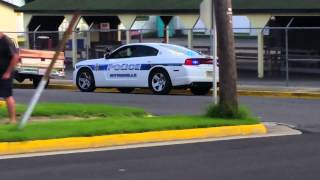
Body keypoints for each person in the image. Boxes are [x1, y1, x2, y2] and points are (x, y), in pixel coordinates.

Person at [0, 33, 19, 124]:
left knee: (7, 96)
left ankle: (13, 120)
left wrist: (8, 72)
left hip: (6, 73)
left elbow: (15, 57)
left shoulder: (6, 40)